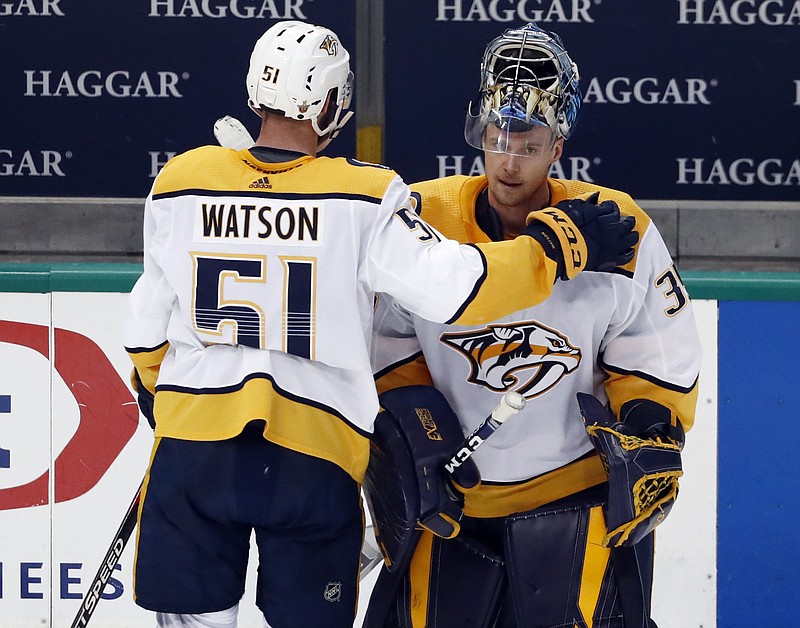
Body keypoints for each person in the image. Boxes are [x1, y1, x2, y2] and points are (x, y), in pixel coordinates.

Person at [122, 20, 637, 628]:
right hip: (309, 458)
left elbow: (145, 331)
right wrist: (551, 249)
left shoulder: (181, 180)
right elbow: (451, 285)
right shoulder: (362, 197)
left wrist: (166, 397)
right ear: (327, 103)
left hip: (193, 449)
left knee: (190, 619)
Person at [364, 23, 702, 628]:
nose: (509, 162)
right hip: (451, 501)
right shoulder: (422, 218)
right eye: (498, 138)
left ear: (558, 148)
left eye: (528, 143)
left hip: (573, 497)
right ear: (480, 134)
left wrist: (651, 428)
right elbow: (386, 338)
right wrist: (415, 427)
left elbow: (657, 350)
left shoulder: (613, 227)